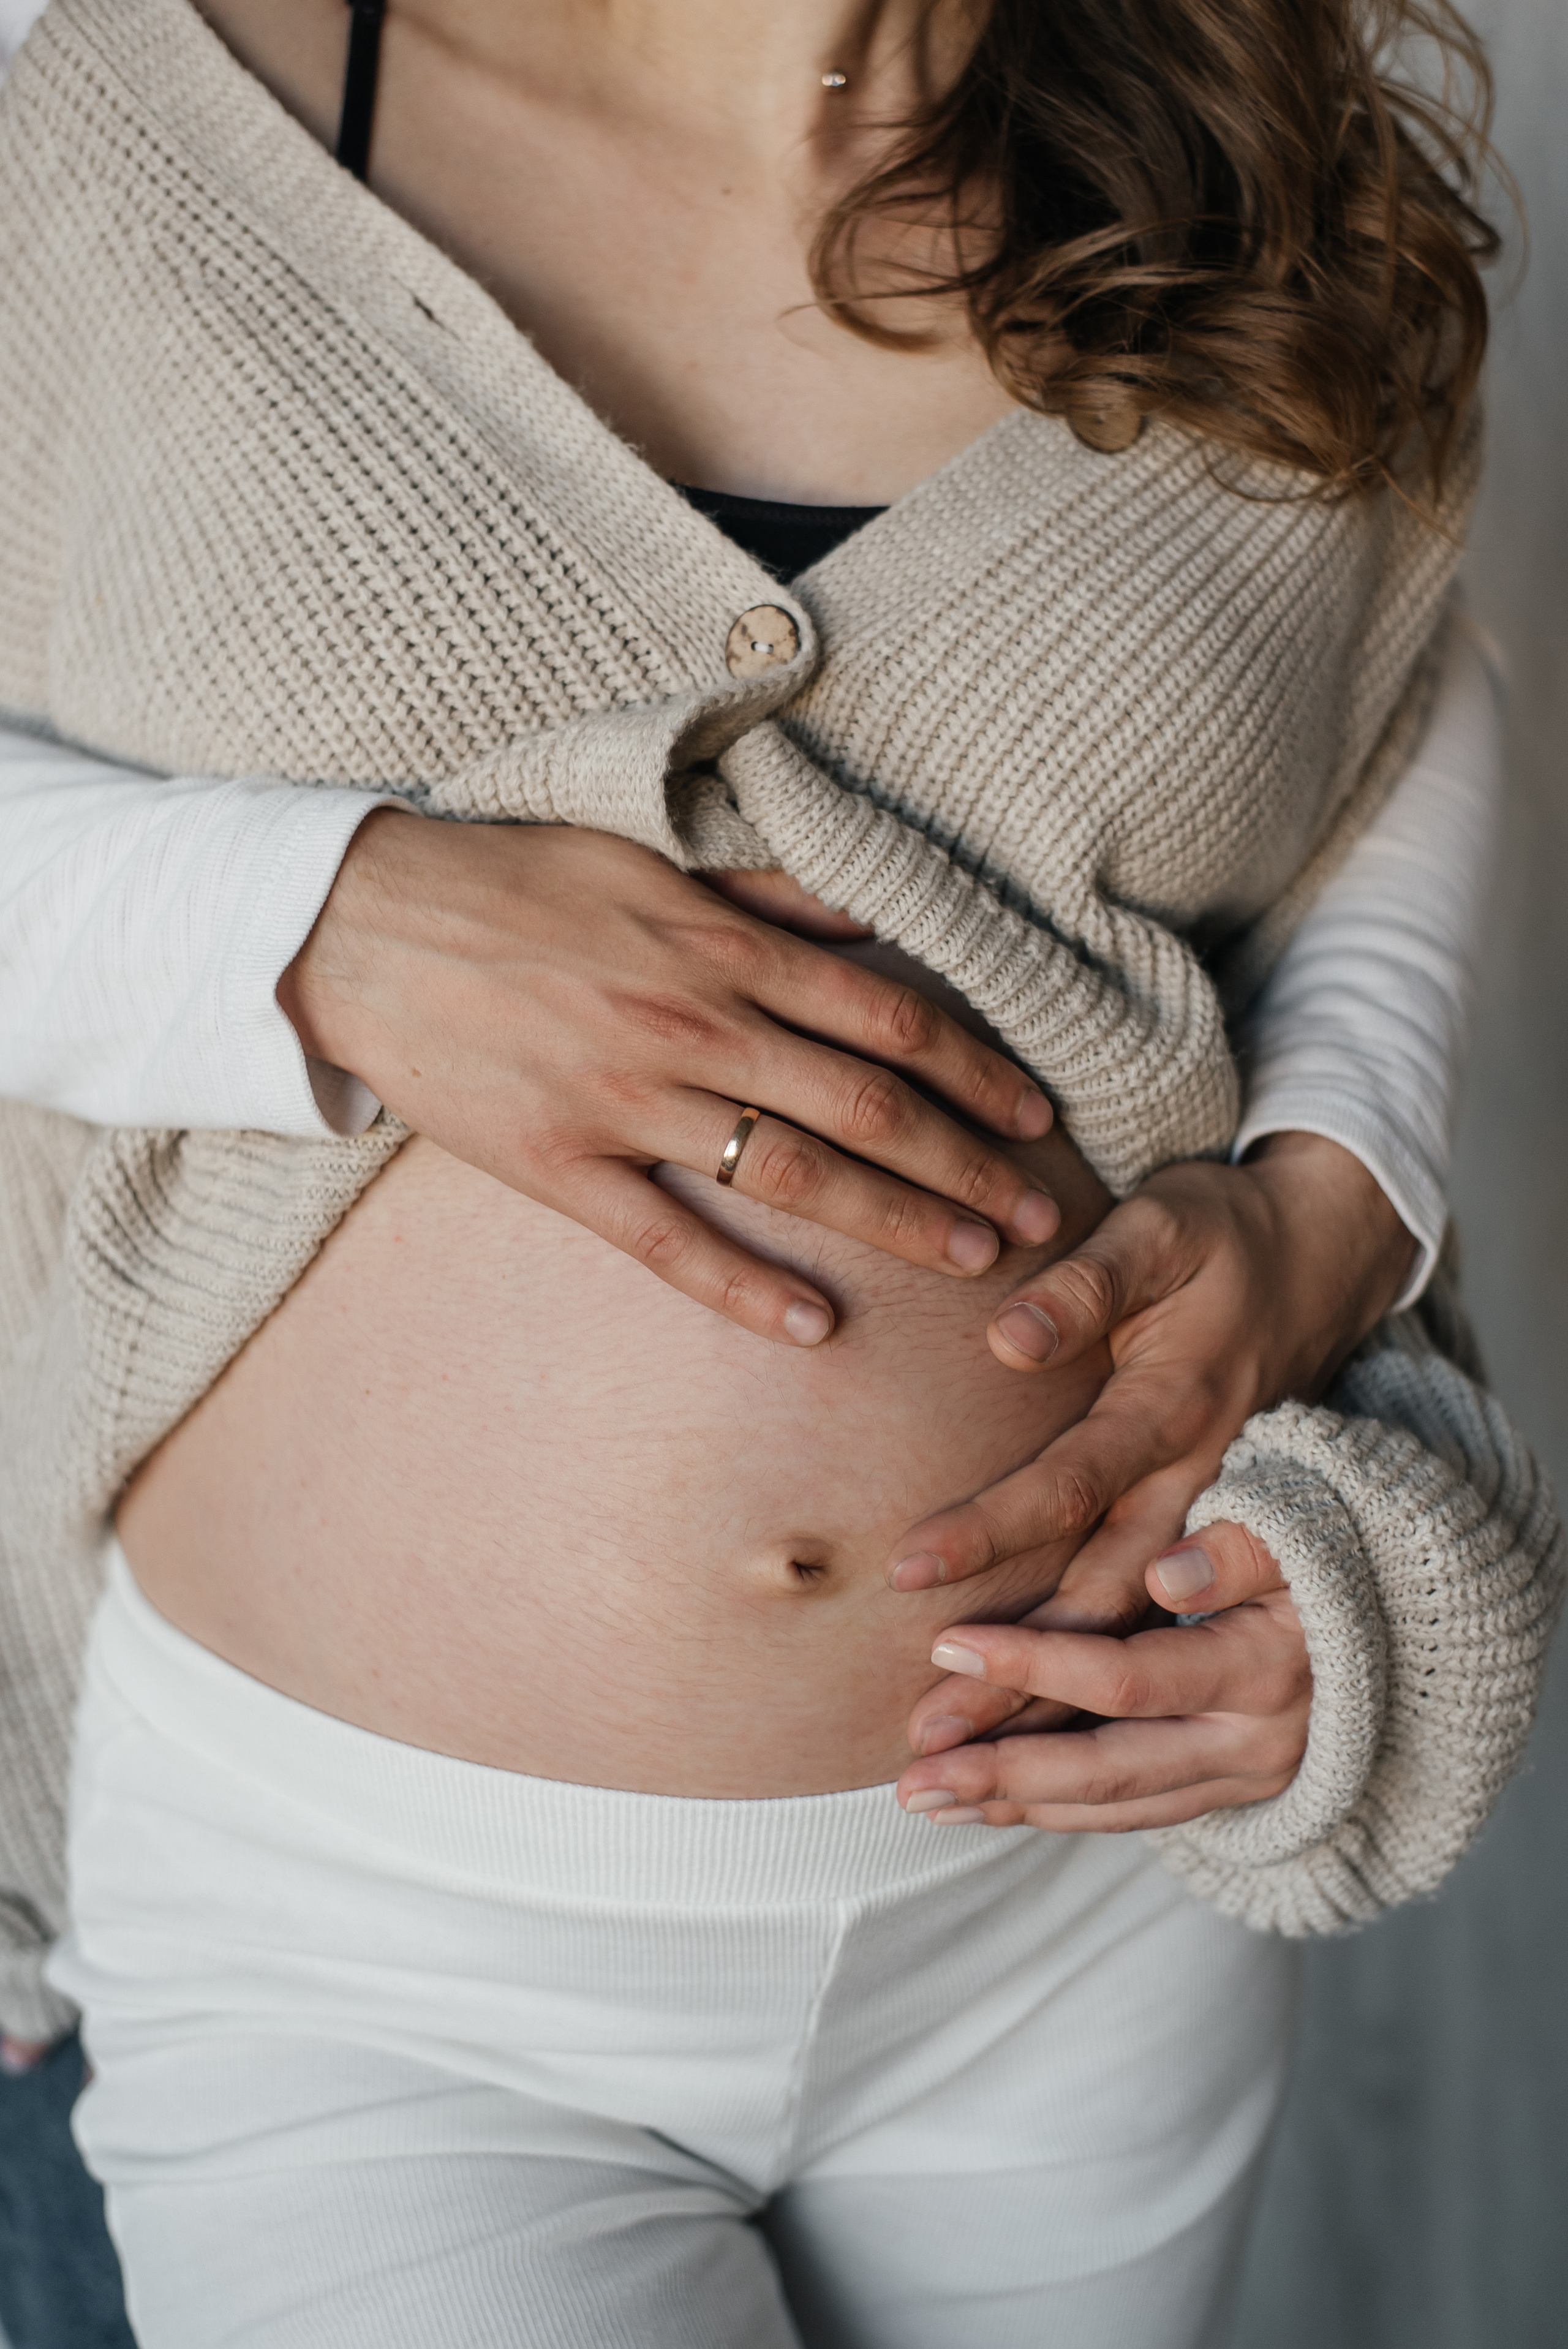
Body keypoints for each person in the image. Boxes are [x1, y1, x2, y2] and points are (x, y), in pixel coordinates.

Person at [0, 1, 1559, 2344]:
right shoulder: (115, 106)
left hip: (1075, 1933)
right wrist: (313, 920)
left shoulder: (1247, 165)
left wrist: (1337, 1193)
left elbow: (1403, 694)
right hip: (379, 1953)